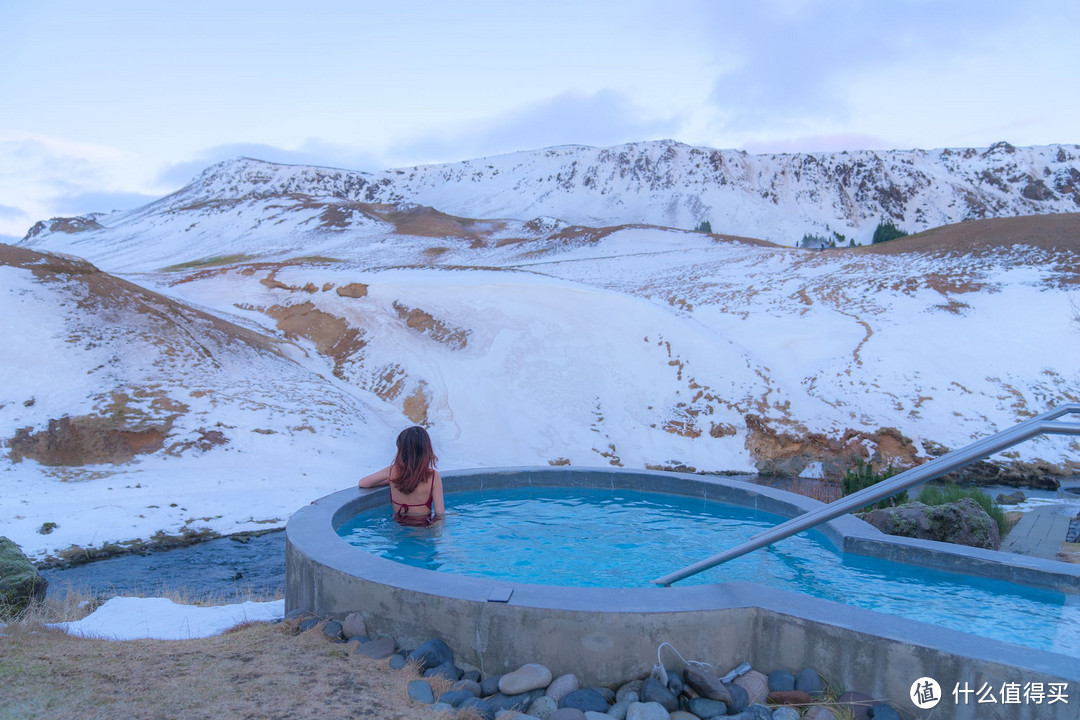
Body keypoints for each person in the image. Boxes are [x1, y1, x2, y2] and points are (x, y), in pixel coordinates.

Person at [358, 426, 444, 525]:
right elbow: (439, 514)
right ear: (426, 449)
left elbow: (363, 483)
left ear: (401, 449)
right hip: (421, 528)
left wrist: (391, 480)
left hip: (398, 525)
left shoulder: (392, 472)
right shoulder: (433, 477)